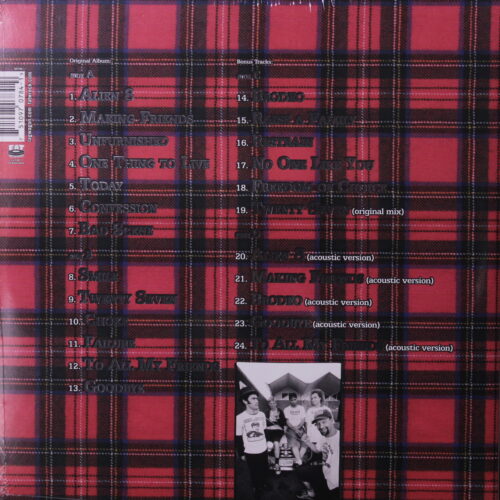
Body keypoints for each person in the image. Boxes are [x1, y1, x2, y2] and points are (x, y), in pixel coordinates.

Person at [297, 408, 340, 499]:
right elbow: (317, 450)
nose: (321, 426)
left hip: (336, 483)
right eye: (318, 424)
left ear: (331, 420)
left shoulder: (341, 439)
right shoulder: (323, 437)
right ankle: (311, 492)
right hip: (325, 472)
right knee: (301, 471)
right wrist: (307, 442)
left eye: (324, 422)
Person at [235, 388, 269, 499]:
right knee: (254, 472)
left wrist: (268, 444)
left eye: (257, 398)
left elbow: (265, 430)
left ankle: (263, 484)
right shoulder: (240, 418)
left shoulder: (262, 414)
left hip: (263, 449)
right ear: (245, 401)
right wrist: (241, 453)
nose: (257, 401)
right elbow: (238, 437)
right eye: (253, 399)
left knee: (264, 469)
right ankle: (257, 489)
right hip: (250, 452)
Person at [284, 392, 307, 466]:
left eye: (295, 399)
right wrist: (294, 429)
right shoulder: (286, 409)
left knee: (305, 442)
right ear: (289, 401)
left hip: (300, 428)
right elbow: (287, 421)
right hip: (291, 429)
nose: (293, 401)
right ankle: (299, 461)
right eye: (292, 400)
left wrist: (298, 427)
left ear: (297, 399)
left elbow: (303, 420)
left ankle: (297, 460)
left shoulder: (301, 408)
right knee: (293, 443)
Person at [265, 397, 286, 474]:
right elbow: (265, 423)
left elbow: (283, 423)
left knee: (276, 443)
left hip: (278, 430)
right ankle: (268, 461)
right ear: (269, 404)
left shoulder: (280, 411)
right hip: (269, 430)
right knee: (268, 444)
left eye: (273, 403)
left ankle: (277, 463)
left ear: (276, 403)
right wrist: (270, 424)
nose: (272, 405)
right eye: (270, 403)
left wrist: (278, 419)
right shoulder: (267, 412)